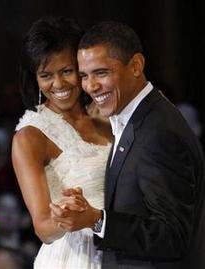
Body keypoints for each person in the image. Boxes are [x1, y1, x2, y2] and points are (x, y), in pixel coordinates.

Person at [50, 21, 205, 269]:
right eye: (84, 76)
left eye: (101, 72)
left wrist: (97, 220)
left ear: (135, 66)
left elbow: (173, 237)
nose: (90, 86)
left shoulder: (158, 132)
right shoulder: (136, 119)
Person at [11, 16, 112, 268]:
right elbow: (43, 227)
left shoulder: (106, 114)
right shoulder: (30, 136)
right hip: (75, 258)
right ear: (34, 77)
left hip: (122, 249)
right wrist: (66, 217)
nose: (58, 84)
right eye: (46, 75)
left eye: (67, 71)